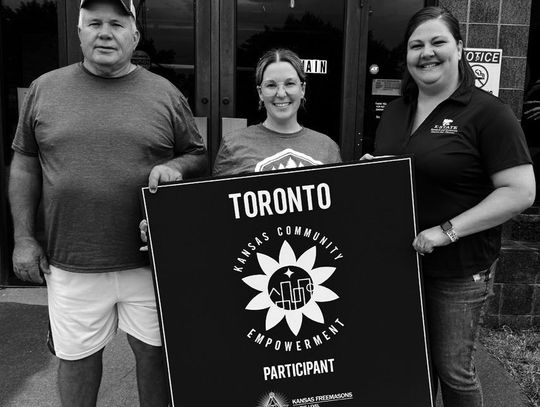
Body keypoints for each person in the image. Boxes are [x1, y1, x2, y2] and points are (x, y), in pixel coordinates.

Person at [8, 0, 206, 406]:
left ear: (134, 36)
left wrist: (177, 167)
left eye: (116, 23)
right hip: (72, 260)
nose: (104, 32)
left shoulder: (164, 93)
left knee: (156, 358)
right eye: (93, 23)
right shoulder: (46, 88)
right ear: (79, 33)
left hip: (150, 261)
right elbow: (24, 165)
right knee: (76, 359)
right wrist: (24, 237)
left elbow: (199, 154)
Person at [364, 6, 535, 407]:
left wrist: (446, 231)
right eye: (416, 45)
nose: (427, 52)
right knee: (413, 365)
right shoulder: (395, 110)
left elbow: (520, 191)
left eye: (438, 42)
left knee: (454, 371)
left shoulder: (489, 113)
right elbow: (403, 169)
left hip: (458, 268)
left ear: (459, 47)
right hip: (401, 264)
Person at [212, 48, 341, 175]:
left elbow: (339, 194)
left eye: (289, 83)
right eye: (271, 85)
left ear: (302, 89)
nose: (280, 93)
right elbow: (218, 195)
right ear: (260, 92)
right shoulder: (233, 145)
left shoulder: (328, 147)